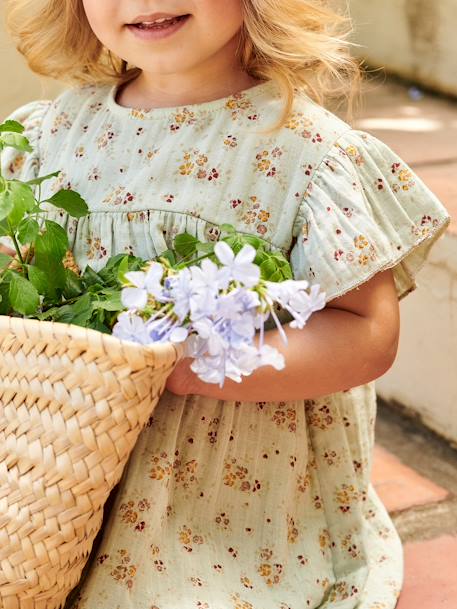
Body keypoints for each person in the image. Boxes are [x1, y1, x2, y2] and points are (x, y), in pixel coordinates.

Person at [0, 1, 451, 607]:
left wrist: (192, 368)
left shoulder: (302, 152)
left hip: (220, 490)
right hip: (52, 475)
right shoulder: (49, 136)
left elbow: (365, 332)